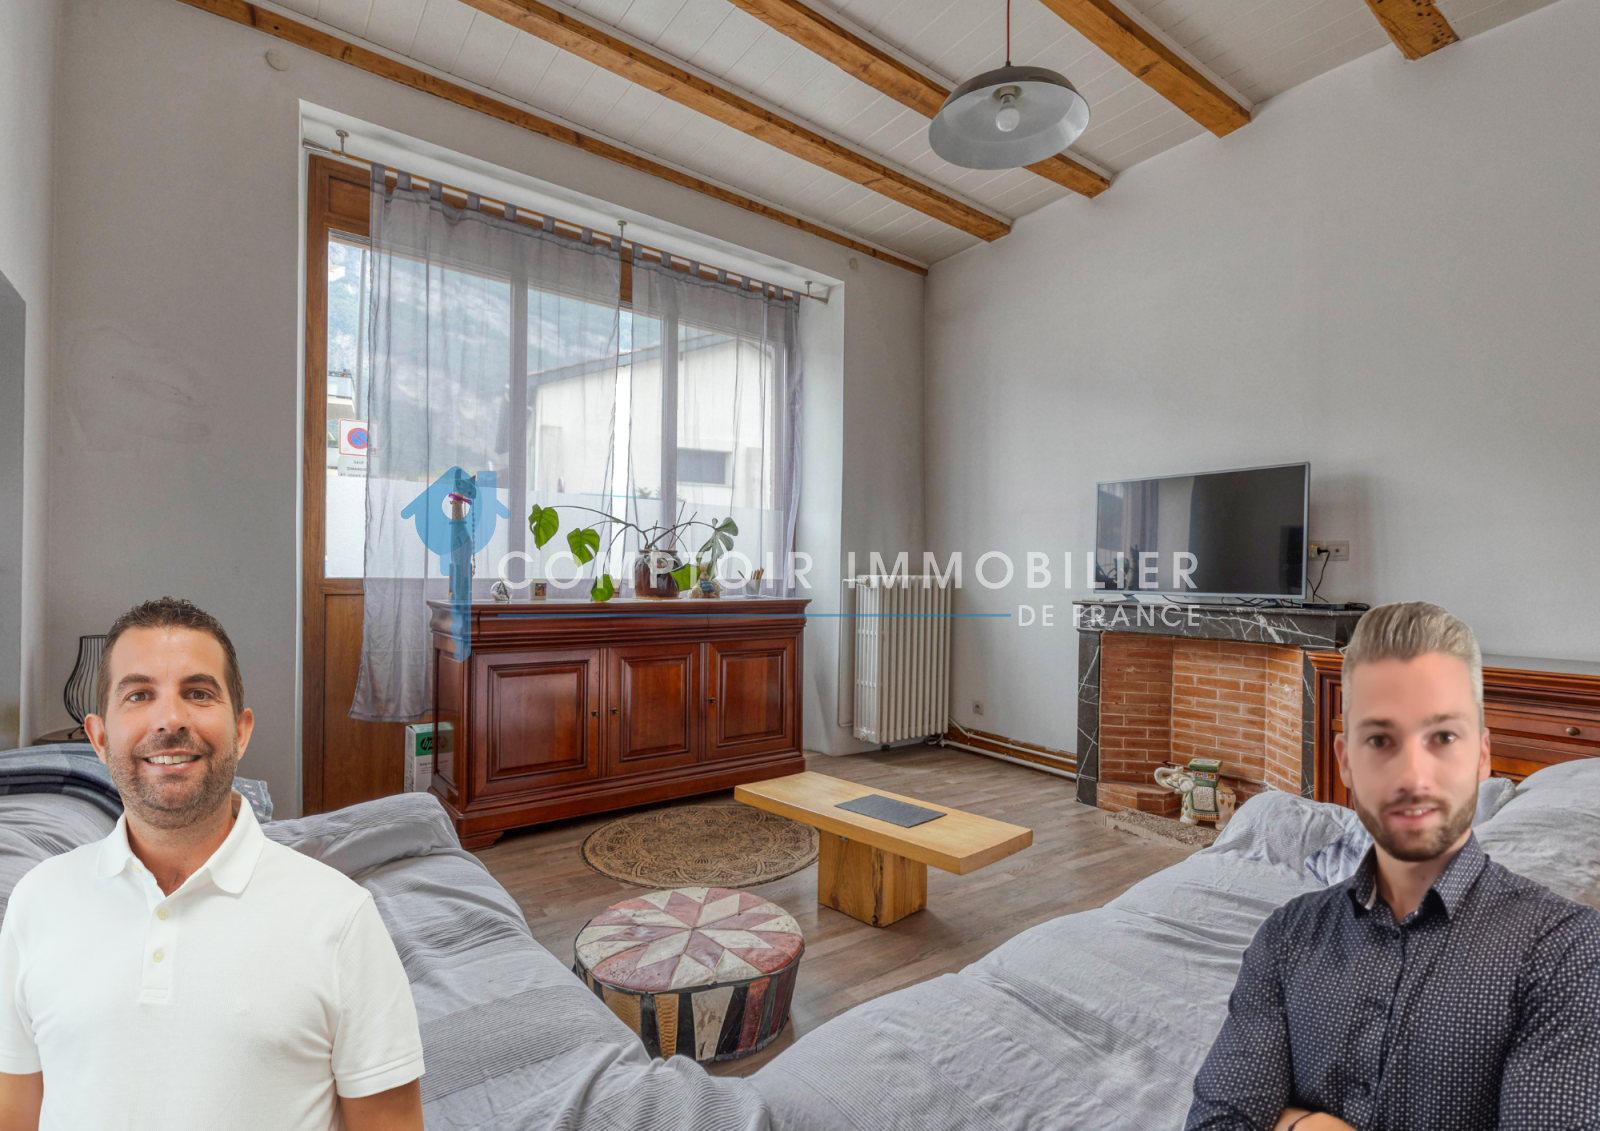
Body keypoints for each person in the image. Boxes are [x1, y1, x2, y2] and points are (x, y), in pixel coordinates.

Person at [0, 598, 425, 1131]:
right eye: (139, 695)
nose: (170, 719)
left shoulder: (341, 918)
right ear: (99, 738)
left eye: (198, 693)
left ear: (241, 732)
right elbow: (16, 1112)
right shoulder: (37, 901)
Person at [1185, 601, 1600, 1131]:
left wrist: (1295, 1124)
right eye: (1380, 740)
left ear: (1481, 757)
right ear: (1346, 761)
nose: (1413, 774)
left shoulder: (1568, 951)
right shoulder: (1286, 936)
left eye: (1442, 737)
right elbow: (1217, 1121)